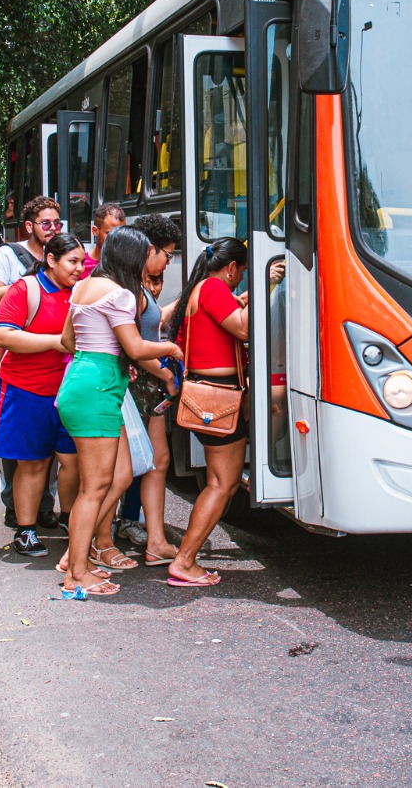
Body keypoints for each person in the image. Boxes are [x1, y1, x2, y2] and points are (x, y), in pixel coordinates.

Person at [54, 227, 183, 597]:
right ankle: (77, 573)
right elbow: (137, 346)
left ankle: (78, 564)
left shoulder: (85, 286)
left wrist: (105, 352)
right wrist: (171, 350)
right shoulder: (121, 294)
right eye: (145, 255)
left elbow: (67, 341)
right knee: (94, 488)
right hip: (99, 389)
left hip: (80, 377)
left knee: (98, 484)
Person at [0, 232, 85, 558]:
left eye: (82, 262)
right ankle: (25, 531)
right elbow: (3, 334)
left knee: (73, 463)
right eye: (73, 261)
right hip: (28, 391)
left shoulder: (81, 292)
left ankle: (70, 521)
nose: (79, 268)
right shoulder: (26, 289)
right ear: (52, 260)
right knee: (33, 464)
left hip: (70, 394)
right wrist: (56, 341)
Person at [163, 238, 250, 588]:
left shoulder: (201, 287)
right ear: (231, 268)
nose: (241, 280)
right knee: (222, 483)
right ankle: (184, 561)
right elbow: (242, 327)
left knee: (221, 482)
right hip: (219, 396)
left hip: (209, 393)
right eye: (242, 273)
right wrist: (267, 285)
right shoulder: (214, 287)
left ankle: (185, 559)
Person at [0, 195, 63, 525]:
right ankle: (15, 505)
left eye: (57, 223)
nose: (53, 229)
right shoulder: (8, 255)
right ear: (29, 226)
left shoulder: (64, 255)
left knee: (54, 443)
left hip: (55, 363)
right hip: (15, 358)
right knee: (18, 444)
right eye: (46, 224)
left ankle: (44, 504)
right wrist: (31, 282)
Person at [114, 213, 182, 561]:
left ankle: (155, 540)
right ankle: (95, 545)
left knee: (158, 460)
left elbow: (152, 325)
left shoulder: (139, 288)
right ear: (149, 248)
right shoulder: (129, 290)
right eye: (167, 255)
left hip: (150, 388)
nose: (167, 262)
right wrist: (168, 374)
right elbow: (136, 347)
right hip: (138, 388)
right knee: (123, 471)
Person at [85, 203, 126, 276]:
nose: (117, 239)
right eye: (110, 233)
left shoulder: (126, 265)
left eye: (121, 234)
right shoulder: (81, 265)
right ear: (95, 231)